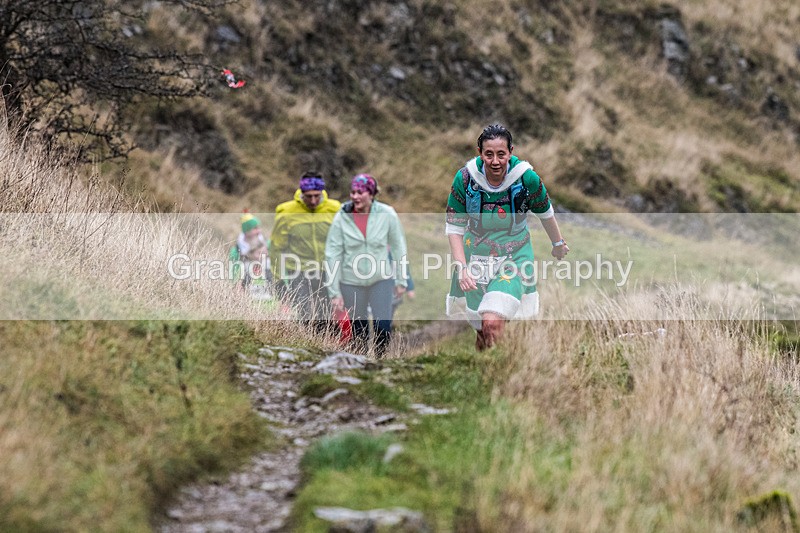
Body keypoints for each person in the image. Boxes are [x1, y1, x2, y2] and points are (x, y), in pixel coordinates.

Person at [446, 124, 569, 350]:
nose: (495, 161)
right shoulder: (465, 179)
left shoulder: (526, 179)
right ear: (480, 152)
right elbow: (454, 228)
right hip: (476, 257)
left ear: (510, 151)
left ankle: (499, 372)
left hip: (515, 255)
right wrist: (462, 267)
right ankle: (485, 369)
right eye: (489, 154)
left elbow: (545, 212)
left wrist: (558, 243)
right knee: (482, 327)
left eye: (501, 154)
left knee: (493, 321)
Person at [326, 174, 408, 356]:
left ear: (371, 194)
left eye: (360, 192)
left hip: (381, 279)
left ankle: (380, 362)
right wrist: (334, 291)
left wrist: (402, 280)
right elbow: (332, 254)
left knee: (382, 326)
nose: (355, 196)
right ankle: (360, 365)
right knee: (359, 329)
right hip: (350, 281)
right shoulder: (342, 217)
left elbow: (398, 247)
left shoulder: (387, 214)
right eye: (352, 192)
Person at [269, 172, 341, 328]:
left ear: (322, 192)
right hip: (298, 270)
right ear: (301, 193)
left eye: (317, 195)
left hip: (326, 270)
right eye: (308, 196)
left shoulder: (335, 209)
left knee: (326, 317)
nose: (313, 201)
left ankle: (323, 349)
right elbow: (276, 247)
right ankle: (305, 346)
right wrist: (278, 278)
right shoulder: (286, 212)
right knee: (305, 314)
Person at [229, 211, 271, 296]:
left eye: (258, 227)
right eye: (255, 228)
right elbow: (234, 276)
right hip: (248, 291)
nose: (259, 231)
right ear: (247, 231)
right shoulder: (236, 251)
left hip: (268, 288)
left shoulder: (268, 243)